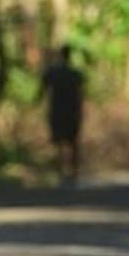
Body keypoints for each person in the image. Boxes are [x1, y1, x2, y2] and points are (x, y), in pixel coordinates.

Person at [39, 45, 85, 184]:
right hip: (71, 111)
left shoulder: (53, 72)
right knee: (73, 142)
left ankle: (62, 173)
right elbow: (81, 94)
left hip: (58, 111)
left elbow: (42, 89)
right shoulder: (74, 74)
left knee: (60, 142)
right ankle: (73, 173)